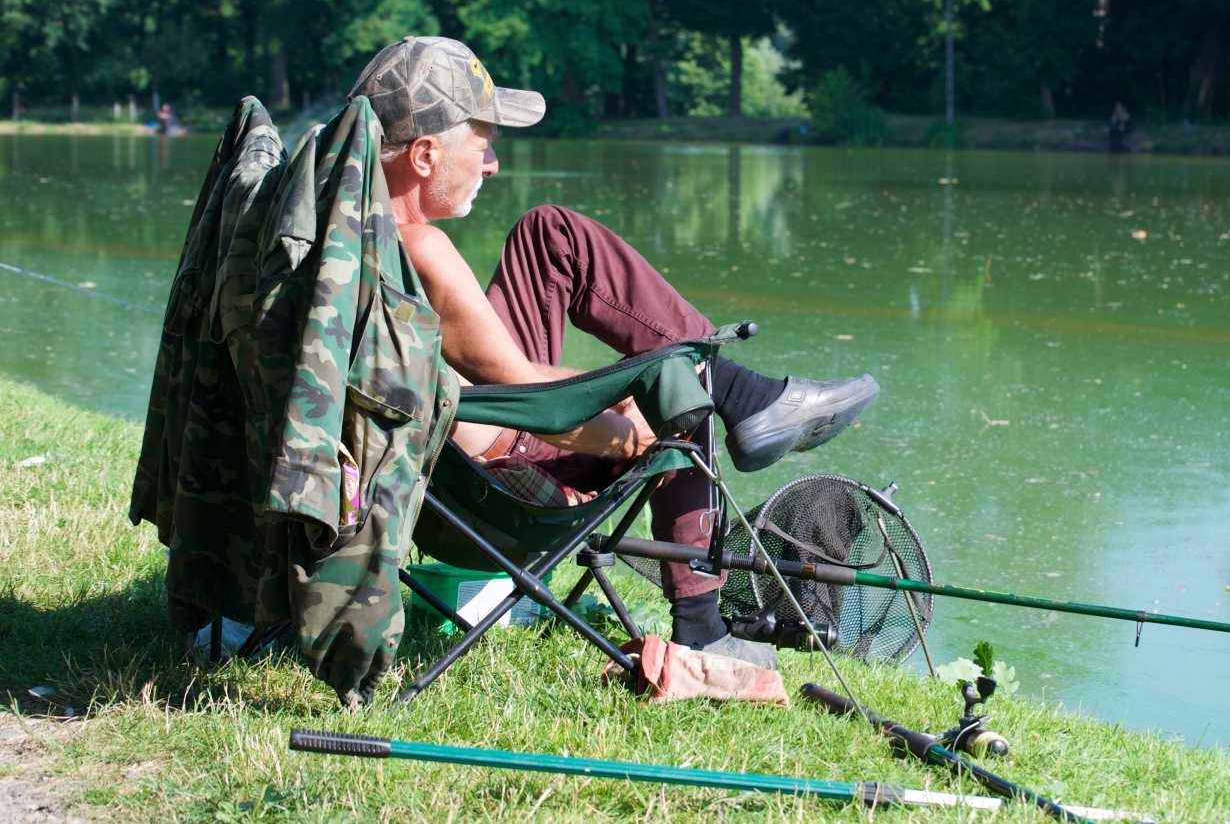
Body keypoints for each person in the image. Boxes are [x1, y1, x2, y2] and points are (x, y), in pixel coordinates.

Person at [349, 36, 879, 667]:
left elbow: (487, 378)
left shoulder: (345, 241)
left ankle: (741, 394)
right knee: (681, 384)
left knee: (550, 235)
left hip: (456, 454)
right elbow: (527, 399)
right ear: (427, 154)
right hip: (496, 484)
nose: (492, 164)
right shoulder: (421, 251)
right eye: (484, 141)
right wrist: (625, 415)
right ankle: (703, 626)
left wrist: (614, 387)